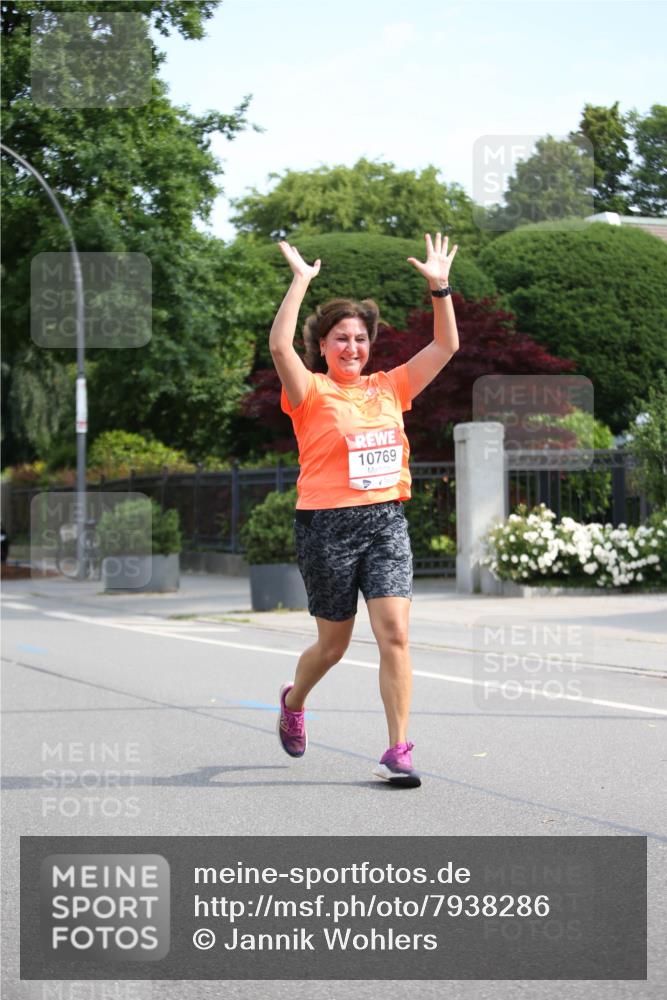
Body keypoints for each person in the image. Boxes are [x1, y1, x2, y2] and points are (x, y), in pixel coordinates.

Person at [270, 232, 459, 788]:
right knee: (333, 646)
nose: (351, 347)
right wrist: (300, 282)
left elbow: (446, 346)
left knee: (395, 633)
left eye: (359, 338)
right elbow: (279, 347)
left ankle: (398, 749)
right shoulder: (308, 391)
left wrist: (440, 288)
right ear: (323, 346)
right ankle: (294, 700)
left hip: (385, 522)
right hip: (325, 527)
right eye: (340, 339)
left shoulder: (391, 387)